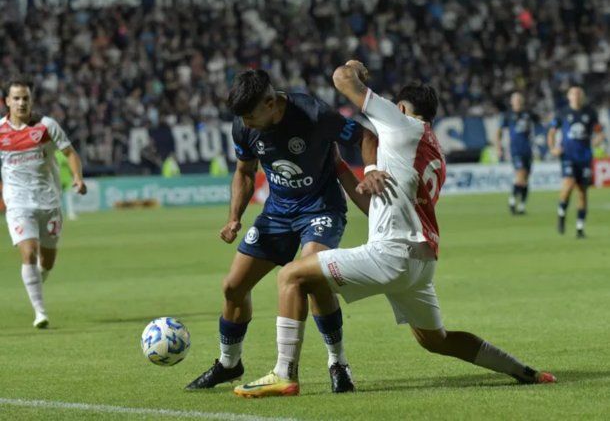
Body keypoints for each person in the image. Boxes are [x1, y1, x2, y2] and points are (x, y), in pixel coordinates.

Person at [234, 61, 556, 398]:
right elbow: (390, 196)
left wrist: (353, 67)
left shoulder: (400, 124)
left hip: (391, 253)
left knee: (291, 277)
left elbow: (342, 79)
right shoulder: (434, 151)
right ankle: (524, 371)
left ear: (401, 108)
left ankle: (284, 374)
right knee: (436, 339)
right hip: (421, 263)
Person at [185, 69, 378, 393]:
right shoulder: (243, 125)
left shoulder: (314, 115)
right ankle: (229, 363)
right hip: (276, 214)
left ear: (272, 103)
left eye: (251, 115)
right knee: (233, 287)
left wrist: (371, 171)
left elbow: (365, 137)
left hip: (321, 210)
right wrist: (235, 217)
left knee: (311, 277)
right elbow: (245, 172)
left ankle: (337, 362)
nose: (245, 124)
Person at [0, 77, 87, 328]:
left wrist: (78, 178)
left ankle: (36, 282)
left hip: (48, 202)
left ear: (32, 100)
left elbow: (70, 153)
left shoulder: (46, 126)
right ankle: (40, 312)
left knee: (46, 262)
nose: (21, 102)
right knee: (29, 253)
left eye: (25, 98)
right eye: (16, 98)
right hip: (18, 203)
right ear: (7, 102)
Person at [547, 86, 604, 238]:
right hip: (568, 156)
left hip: (584, 157)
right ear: (569, 96)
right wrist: (552, 148)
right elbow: (551, 132)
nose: (576, 96)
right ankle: (561, 214)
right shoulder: (562, 113)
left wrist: (598, 140)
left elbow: (599, 132)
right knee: (568, 185)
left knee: (582, 192)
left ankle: (580, 228)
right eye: (573, 93)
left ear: (582, 96)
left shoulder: (590, 113)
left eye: (579, 93)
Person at [496, 92, 540, 215]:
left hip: (528, 150)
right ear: (511, 102)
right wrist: (499, 147)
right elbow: (499, 131)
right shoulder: (508, 115)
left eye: (520, 99)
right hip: (516, 150)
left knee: (525, 179)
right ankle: (512, 201)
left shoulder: (528, 114)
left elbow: (540, 122)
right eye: (515, 99)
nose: (518, 101)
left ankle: (521, 206)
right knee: (520, 176)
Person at [55, 150, 78, 220]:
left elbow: (71, 166)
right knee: (57, 198)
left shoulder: (66, 154)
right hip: (57, 179)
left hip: (67, 179)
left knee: (69, 197)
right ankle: (57, 215)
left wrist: (74, 176)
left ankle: (70, 213)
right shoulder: (54, 154)